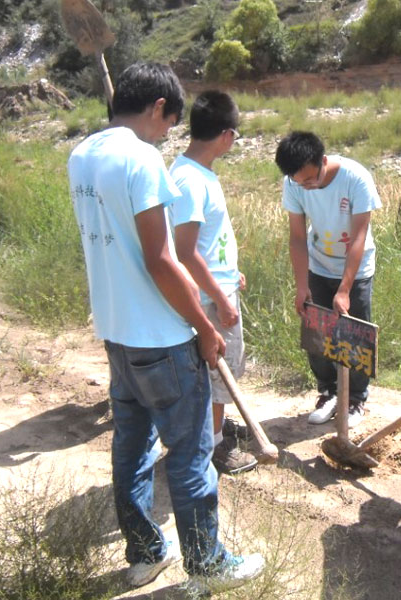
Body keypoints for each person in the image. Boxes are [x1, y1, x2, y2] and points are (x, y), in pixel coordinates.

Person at [67, 62, 263, 591]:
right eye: (169, 124)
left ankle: (146, 551)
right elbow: (161, 259)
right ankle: (207, 563)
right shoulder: (143, 159)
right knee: (192, 452)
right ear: (157, 108)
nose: (168, 134)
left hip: (115, 332)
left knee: (130, 448)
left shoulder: (81, 155)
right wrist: (202, 323)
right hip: (162, 338)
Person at [169, 90, 257, 476]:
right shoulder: (190, 179)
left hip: (217, 285)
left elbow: (206, 243)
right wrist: (220, 297)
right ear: (226, 135)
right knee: (218, 370)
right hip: (208, 297)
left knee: (220, 370)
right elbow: (185, 251)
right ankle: (216, 445)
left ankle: (214, 428)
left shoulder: (198, 173)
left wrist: (228, 272)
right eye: (234, 134)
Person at [275, 131, 381, 428]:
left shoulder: (356, 178)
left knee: (355, 336)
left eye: (312, 179)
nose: (307, 186)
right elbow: (297, 238)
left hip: (356, 270)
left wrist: (345, 288)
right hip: (318, 265)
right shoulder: (293, 184)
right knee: (317, 334)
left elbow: (359, 235)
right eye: (301, 182)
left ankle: (356, 398)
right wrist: (301, 286)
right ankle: (328, 392)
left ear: (322, 161)